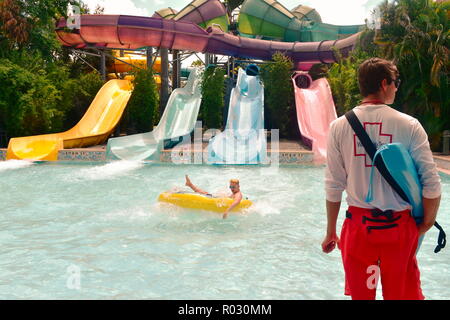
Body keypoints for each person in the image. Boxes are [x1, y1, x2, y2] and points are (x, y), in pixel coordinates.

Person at [322, 57, 442, 300]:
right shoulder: (409, 125)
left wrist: (330, 231)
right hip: (399, 229)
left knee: (361, 296)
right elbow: (431, 182)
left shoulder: (338, 126)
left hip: (358, 228)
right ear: (385, 83)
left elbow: (334, 185)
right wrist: (427, 223)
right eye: (396, 83)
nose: (397, 88)